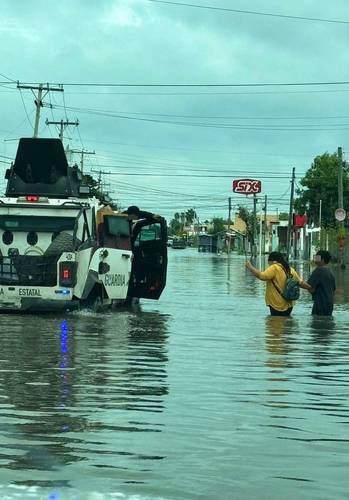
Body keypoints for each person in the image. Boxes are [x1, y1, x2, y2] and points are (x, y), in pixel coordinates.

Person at [245, 251, 310, 316]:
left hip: (277, 304)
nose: (269, 265)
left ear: (273, 261)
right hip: (289, 304)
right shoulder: (290, 269)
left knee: (275, 324)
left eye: (269, 262)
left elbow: (262, 276)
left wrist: (250, 267)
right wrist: (310, 288)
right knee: (286, 323)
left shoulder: (274, 268)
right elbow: (300, 283)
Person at [307, 250, 336, 316]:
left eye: (317, 258)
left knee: (317, 323)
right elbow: (333, 290)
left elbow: (311, 288)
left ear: (322, 260)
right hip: (330, 305)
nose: (315, 260)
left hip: (320, 304)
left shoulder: (318, 270)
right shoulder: (330, 272)